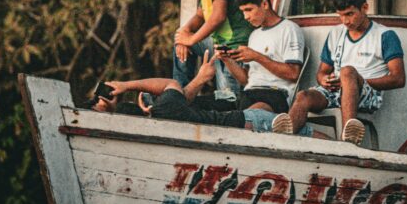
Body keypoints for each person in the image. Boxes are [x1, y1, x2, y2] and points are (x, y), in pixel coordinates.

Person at [278, 0, 405, 145]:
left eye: (350, 14)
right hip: (336, 91)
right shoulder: (335, 33)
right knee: (303, 96)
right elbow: (321, 72)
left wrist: (352, 81)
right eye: (341, 15)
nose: (345, 21)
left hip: (367, 93)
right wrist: (325, 80)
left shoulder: (385, 35)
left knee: (347, 72)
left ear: (365, 8)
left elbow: (399, 78)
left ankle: (348, 141)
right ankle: (282, 141)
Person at [94, 51, 315, 136]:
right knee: (307, 134)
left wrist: (201, 78)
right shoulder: (167, 108)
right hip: (243, 115)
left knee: (301, 133)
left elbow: (176, 88)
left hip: (249, 117)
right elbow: (171, 84)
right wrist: (127, 86)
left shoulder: (165, 111)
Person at [216, 0, 305, 118]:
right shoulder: (254, 35)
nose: (246, 17)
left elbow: (293, 74)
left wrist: (257, 56)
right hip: (249, 94)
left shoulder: (289, 29)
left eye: (249, 10)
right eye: (243, 11)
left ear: (264, 4)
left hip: (276, 95)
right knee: (206, 108)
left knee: (246, 117)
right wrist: (227, 60)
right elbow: (246, 80)